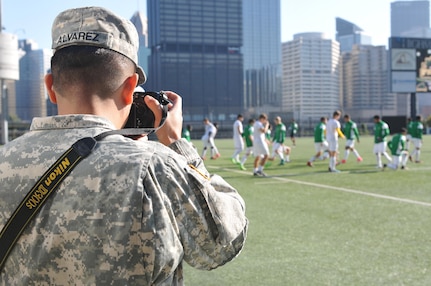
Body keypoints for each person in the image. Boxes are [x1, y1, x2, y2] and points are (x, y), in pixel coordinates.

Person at [0, 7, 248, 285]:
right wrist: (177, 145)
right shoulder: (153, 167)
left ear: (50, 86)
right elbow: (222, 243)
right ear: (131, 87)